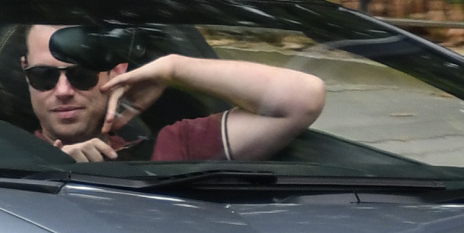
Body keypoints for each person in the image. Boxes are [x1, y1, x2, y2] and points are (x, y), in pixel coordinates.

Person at [19, 24, 326, 164]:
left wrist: (173, 70)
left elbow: (303, 98)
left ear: (116, 72)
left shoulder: (172, 149)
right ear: (24, 72)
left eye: (80, 75)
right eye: (43, 76)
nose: (62, 91)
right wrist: (54, 166)